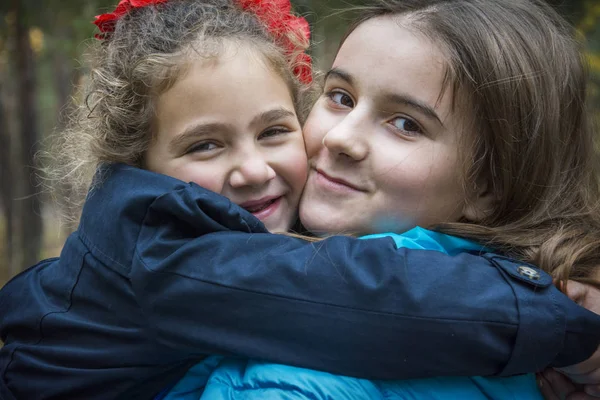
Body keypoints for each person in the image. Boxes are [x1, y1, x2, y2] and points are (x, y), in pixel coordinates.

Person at [0, 0, 598, 399]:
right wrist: (555, 316)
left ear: (492, 184)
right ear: (140, 161)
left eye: (406, 124)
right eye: (339, 97)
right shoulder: (175, 254)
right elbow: (360, 295)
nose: (338, 137)